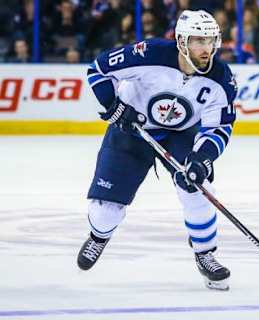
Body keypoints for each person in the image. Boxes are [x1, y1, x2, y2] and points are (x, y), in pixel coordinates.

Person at [77, 10, 237, 291]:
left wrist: (202, 159)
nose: (206, 48)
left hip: (179, 134)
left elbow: (219, 128)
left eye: (211, 40)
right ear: (182, 42)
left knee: (198, 188)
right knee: (105, 210)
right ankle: (99, 236)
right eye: (199, 41)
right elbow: (98, 70)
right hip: (131, 129)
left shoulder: (221, 78)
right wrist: (114, 107)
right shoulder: (149, 53)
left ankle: (205, 254)